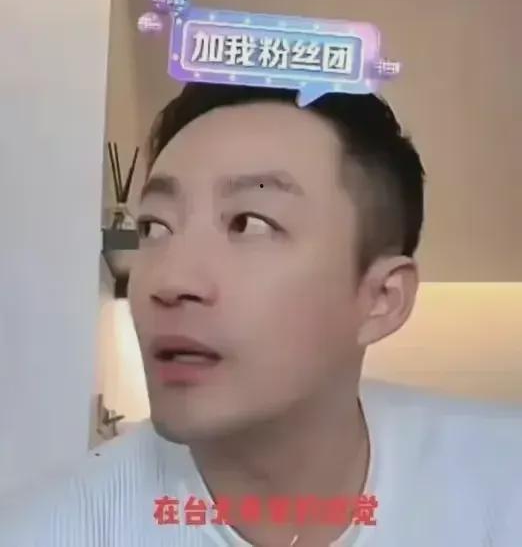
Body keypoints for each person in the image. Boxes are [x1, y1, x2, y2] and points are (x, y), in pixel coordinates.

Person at [1, 83, 521, 546]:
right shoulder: (49, 530)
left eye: (249, 223)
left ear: (382, 298)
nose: (170, 281)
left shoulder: (502, 485)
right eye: (155, 227)